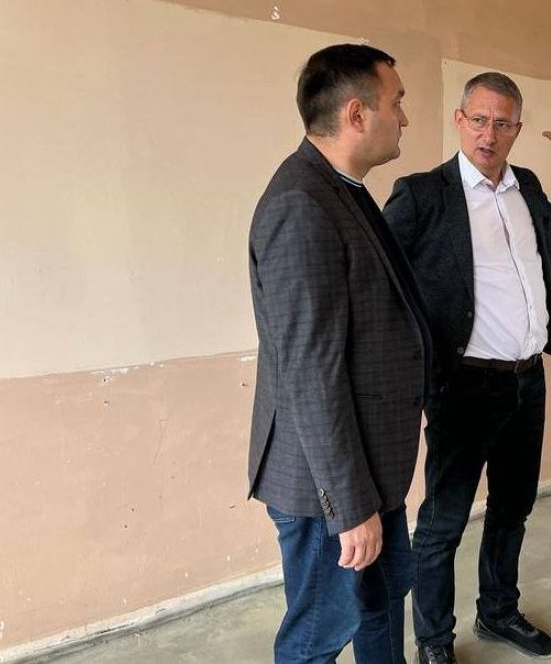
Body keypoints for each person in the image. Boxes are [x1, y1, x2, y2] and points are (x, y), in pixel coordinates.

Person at [383, 72, 551, 663]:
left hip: (527, 379)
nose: (489, 134)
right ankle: (434, 641)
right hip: (463, 386)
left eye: (502, 123)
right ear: (459, 120)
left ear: (517, 130)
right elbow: (382, 282)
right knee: (443, 522)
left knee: (512, 508)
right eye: (479, 119)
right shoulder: (423, 195)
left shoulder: (525, 187)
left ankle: (498, 612)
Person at [247, 43, 431, 664]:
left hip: (367, 467)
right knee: (318, 635)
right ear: (357, 113)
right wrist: (350, 510)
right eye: (396, 102)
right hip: (327, 486)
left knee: (381, 603)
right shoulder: (301, 205)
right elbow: (310, 375)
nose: (404, 117)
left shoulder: (343, 190)